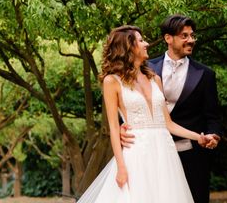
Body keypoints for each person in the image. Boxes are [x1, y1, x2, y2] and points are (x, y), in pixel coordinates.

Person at [77, 25, 214, 203]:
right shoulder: (112, 81)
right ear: (128, 47)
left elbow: (168, 123)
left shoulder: (155, 79)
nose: (146, 44)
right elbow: (113, 127)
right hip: (137, 154)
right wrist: (121, 167)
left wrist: (199, 137)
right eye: (141, 40)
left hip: (165, 153)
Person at [145, 15, 222, 203]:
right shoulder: (145, 68)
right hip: (153, 150)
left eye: (192, 35)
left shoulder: (206, 74)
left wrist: (213, 135)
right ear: (168, 38)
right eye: (184, 36)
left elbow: (213, 116)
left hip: (193, 154)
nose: (191, 40)